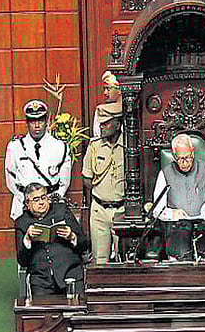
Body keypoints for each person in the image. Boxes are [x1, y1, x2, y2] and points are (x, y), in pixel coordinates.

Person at [15, 183, 89, 297]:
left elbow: (85, 244)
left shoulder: (62, 211)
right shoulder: (22, 222)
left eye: (43, 197)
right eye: (36, 199)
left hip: (71, 274)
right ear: (27, 204)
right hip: (42, 281)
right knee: (43, 313)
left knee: (78, 310)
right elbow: (22, 261)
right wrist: (27, 239)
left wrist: (72, 237)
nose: (41, 202)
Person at [4, 99, 72, 221]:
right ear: (27, 123)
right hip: (24, 207)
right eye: (32, 121)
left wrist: (47, 202)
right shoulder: (15, 147)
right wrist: (28, 201)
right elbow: (10, 179)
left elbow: (64, 182)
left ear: (46, 121)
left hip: (51, 206)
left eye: (40, 120)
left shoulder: (60, 147)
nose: (37, 125)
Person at [83, 101, 125, 264]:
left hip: (121, 211)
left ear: (118, 124)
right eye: (101, 123)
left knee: (124, 259)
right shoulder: (94, 146)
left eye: (106, 122)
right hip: (99, 209)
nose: (102, 126)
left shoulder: (128, 146)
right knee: (100, 260)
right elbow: (87, 178)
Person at [151, 133, 205, 221]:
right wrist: (171, 213)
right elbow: (156, 210)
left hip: (204, 226)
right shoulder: (164, 173)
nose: (185, 163)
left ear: (192, 152)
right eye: (181, 159)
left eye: (188, 157)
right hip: (177, 228)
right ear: (174, 156)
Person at [92, 71, 121, 137]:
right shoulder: (101, 110)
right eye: (104, 89)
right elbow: (97, 135)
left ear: (119, 90)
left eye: (108, 89)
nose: (105, 93)